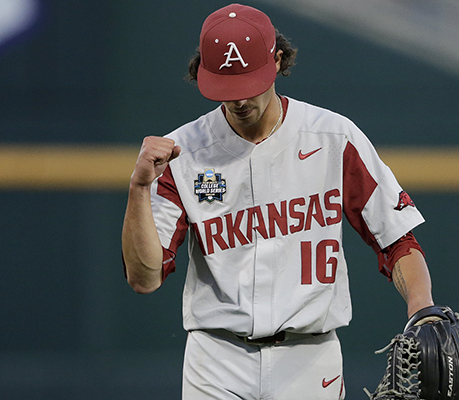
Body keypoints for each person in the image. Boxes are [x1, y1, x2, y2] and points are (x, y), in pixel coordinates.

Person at [122, 3, 434, 399]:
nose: (239, 101)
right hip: (216, 359)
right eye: (227, 88)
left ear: (278, 59)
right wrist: (139, 188)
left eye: (249, 84)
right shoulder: (183, 153)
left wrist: (421, 307)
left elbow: (398, 241)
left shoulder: (333, 138)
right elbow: (145, 278)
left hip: (310, 356)